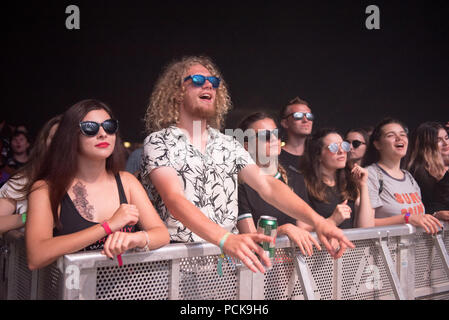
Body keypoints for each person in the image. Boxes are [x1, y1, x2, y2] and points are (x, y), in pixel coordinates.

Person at [140, 56, 354, 274]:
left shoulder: (227, 144)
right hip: (176, 267)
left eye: (213, 82)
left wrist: (319, 222)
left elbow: (267, 185)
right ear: (176, 92)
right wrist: (226, 238)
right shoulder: (160, 141)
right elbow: (174, 199)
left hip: (223, 266)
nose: (208, 85)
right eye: (196, 79)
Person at [25, 99, 169, 270]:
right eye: (90, 128)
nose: (103, 134)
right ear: (70, 135)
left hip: (131, 289)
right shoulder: (45, 189)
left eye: (109, 126)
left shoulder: (126, 181)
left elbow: (161, 234)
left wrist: (137, 238)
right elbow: (36, 256)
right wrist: (108, 226)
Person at [236, 112, 320, 257]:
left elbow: (302, 227)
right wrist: (283, 229)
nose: (274, 139)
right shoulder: (240, 184)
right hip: (258, 270)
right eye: (266, 136)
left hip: (291, 268)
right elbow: (251, 238)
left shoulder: (295, 178)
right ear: (246, 146)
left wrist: (330, 224)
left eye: (277, 134)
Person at [361, 118, 442, 234]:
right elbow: (365, 225)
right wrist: (406, 218)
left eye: (403, 134)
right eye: (390, 135)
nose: (399, 138)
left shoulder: (408, 177)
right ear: (377, 144)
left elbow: (419, 217)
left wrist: (437, 216)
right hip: (386, 250)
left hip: (414, 250)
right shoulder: (370, 174)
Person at [297, 128, 375, 231]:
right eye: (333, 147)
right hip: (322, 246)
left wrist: (363, 185)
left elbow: (367, 228)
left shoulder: (350, 182)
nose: (342, 151)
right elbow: (301, 230)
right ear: (318, 155)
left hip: (351, 246)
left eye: (344, 146)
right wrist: (332, 221)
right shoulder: (303, 183)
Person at [0, 115, 61, 235]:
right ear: (44, 143)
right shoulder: (24, 180)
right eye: (56, 138)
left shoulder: (94, 181)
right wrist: (29, 217)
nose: (63, 145)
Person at [406, 121, 449, 220]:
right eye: (438, 140)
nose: (446, 143)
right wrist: (435, 214)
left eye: (447, 138)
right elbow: (423, 207)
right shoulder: (419, 171)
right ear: (427, 144)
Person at [279, 97, 314, 171]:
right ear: (285, 123)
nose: (305, 120)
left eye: (309, 116)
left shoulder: (317, 157)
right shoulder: (275, 157)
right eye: (298, 115)